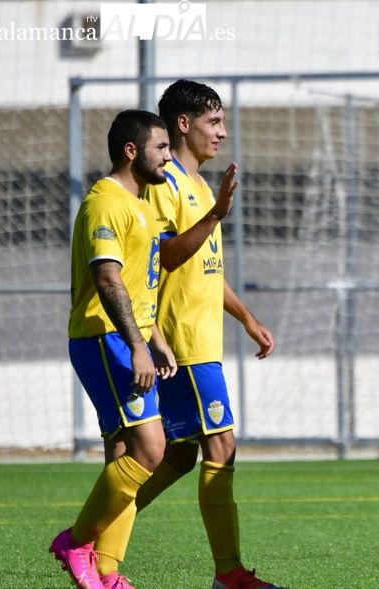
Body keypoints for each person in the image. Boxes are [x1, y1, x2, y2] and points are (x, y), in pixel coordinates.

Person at [93, 80, 284, 589]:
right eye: (213, 122)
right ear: (183, 124)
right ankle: (230, 574)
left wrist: (246, 318)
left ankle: (94, 544)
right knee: (221, 446)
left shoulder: (198, 185)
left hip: (204, 339)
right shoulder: (166, 183)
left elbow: (206, 268)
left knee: (176, 456)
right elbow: (163, 256)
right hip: (181, 341)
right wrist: (217, 215)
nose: (223, 133)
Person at [50, 109, 177, 589]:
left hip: (128, 340)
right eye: (161, 148)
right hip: (105, 339)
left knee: (123, 452)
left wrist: (156, 341)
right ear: (131, 150)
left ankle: (105, 570)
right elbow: (107, 279)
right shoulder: (106, 202)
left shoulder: (141, 203)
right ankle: (76, 542)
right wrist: (135, 347)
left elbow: (139, 286)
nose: (168, 156)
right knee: (150, 449)